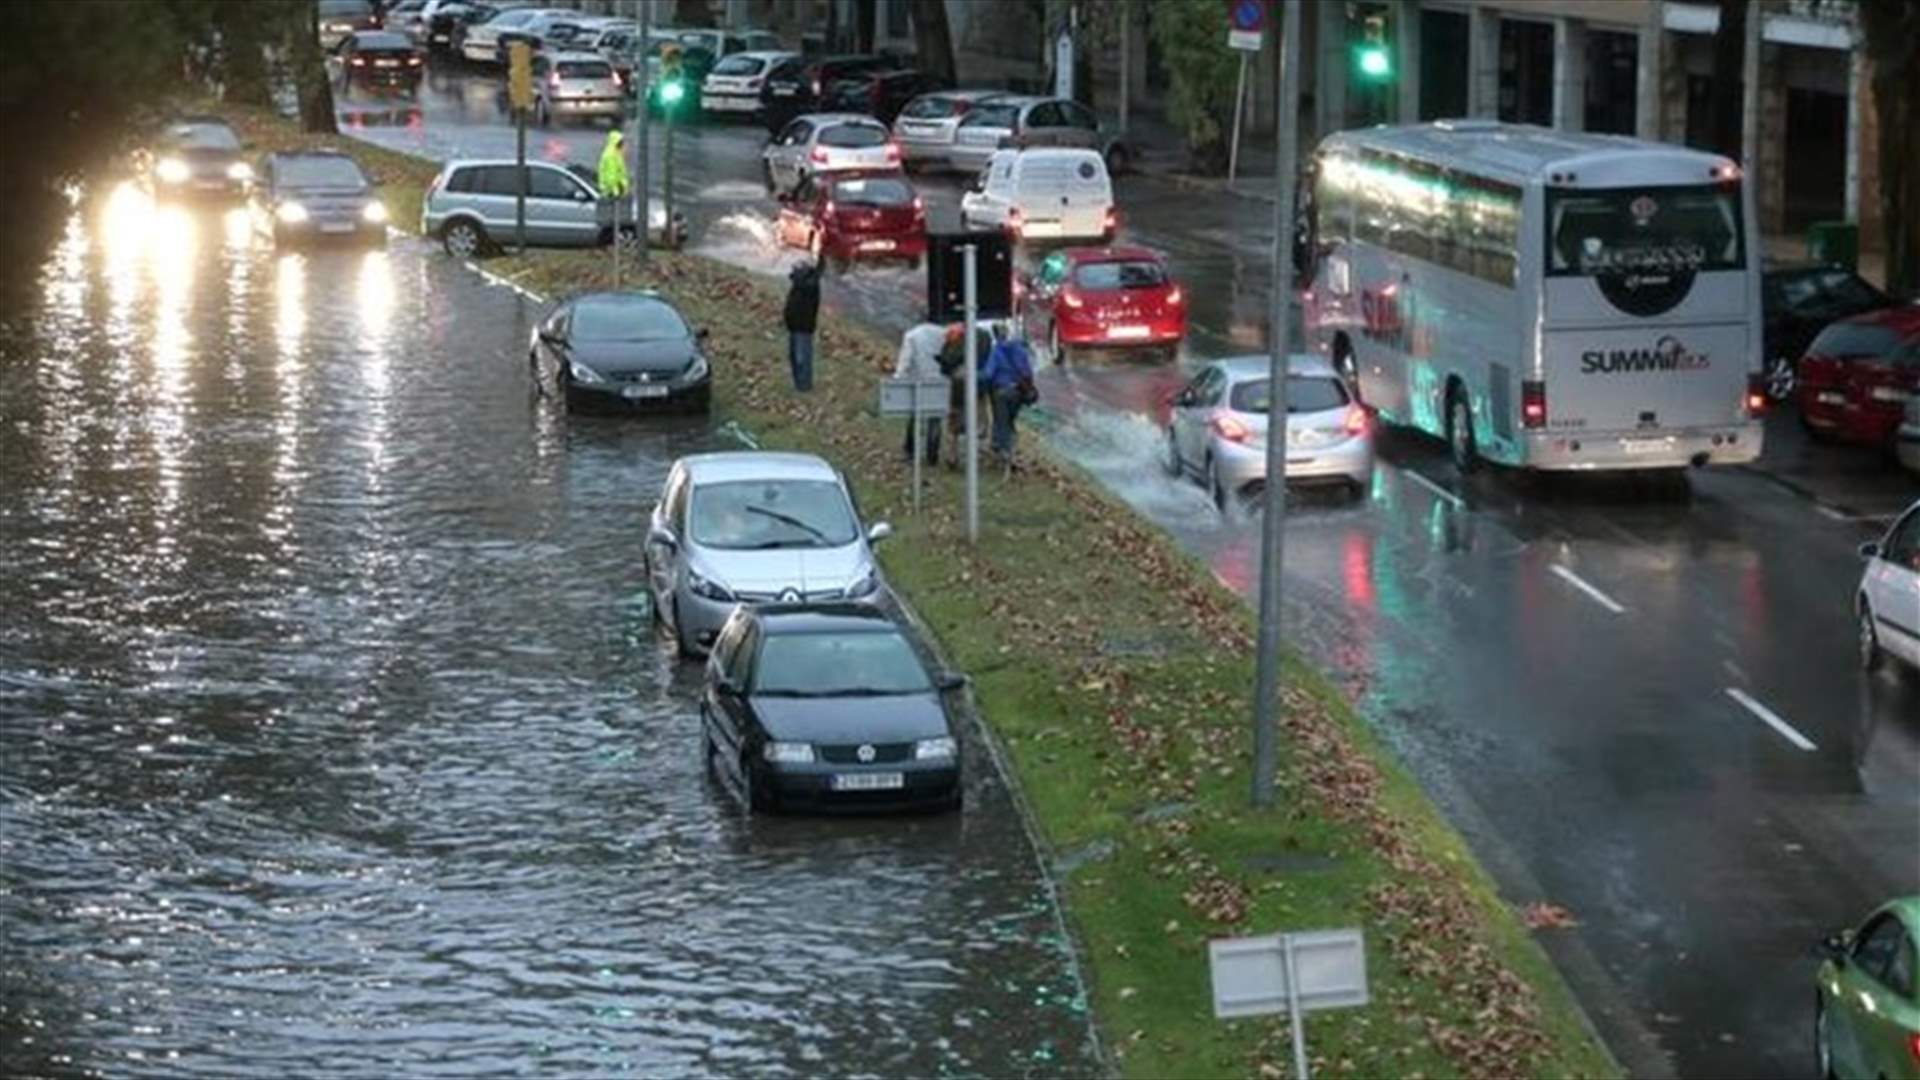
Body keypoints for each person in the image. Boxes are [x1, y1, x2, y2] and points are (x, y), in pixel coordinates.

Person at [894, 322, 961, 465]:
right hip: (939, 381)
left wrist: (899, 378)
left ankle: (910, 453)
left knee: (915, 417)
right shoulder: (944, 333)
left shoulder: (912, 336)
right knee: (935, 419)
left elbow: (906, 359)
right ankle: (932, 456)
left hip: (918, 380)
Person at [980, 326, 1037, 472]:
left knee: (1001, 422)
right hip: (1018, 393)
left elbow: (988, 374)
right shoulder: (1020, 349)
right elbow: (1027, 371)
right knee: (1010, 421)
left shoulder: (996, 351)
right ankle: (1009, 449)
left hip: (1001, 392)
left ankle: (1005, 455)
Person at [783, 261, 821, 392]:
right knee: (794, 357)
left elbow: (803, 287)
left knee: (801, 358)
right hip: (794, 326)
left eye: (796, 271)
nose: (792, 273)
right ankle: (798, 384)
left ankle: (804, 386)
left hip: (803, 327)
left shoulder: (809, 285)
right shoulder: (800, 285)